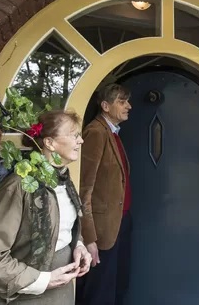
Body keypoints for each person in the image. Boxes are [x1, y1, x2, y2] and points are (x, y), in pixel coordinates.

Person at [0, 110, 92, 305]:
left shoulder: (64, 179)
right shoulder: (18, 187)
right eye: (74, 135)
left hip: (62, 294)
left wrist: (78, 246)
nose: (81, 141)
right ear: (50, 143)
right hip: (25, 298)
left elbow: (63, 227)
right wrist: (45, 280)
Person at [76, 83, 133, 305]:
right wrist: (89, 237)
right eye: (122, 101)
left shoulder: (112, 133)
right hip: (101, 232)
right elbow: (84, 189)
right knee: (99, 294)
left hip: (120, 223)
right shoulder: (96, 132)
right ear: (105, 106)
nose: (129, 105)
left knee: (118, 287)